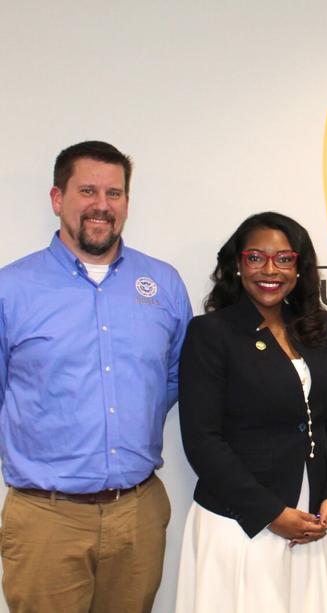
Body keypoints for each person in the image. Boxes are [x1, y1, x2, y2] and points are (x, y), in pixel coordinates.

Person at [0, 141, 192, 612]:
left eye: (114, 193)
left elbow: (174, 378)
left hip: (138, 513)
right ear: (57, 198)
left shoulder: (163, 284)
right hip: (47, 519)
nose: (101, 205)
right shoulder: (11, 289)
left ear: (126, 201)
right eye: (87, 190)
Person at [175, 211, 327, 612]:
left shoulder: (318, 327)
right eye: (256, 257)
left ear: (299, 267)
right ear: (237, 265)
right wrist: (270, 513)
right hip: (240, 522)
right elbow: (203, 441)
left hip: (308, 520)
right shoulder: (212, 334)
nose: (270, 270)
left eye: (284, 259)